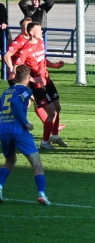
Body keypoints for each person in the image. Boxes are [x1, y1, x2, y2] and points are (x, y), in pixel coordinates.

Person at [3, 18, 66, 133]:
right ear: (23, 28)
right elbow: (7, 56)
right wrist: (12, 71)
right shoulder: (19, 42)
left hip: (32, 77)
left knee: (35, 102)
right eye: (27, 25)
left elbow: (41, 59)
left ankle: (49, 127)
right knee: (28, 102)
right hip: (20, 77)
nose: (29, 27)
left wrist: (55, 66)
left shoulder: (38, 43)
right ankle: (20, 126)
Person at [0, 65, 51, 205]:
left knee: (10, 161)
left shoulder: (6, 92)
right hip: (19, 130)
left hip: (4, 129)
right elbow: (16, 103)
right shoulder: (25, 90)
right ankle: (41, 194)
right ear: (28, 78)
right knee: (36, 164)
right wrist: (25, 122)